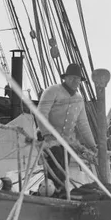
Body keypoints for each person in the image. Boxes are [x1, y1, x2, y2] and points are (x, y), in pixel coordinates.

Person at [37, 63, 97, 197]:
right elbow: (41, 113)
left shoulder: (79, 99)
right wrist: (47, 135)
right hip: (49, 139)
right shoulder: (52, 91)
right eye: (72, 78)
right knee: (57, 169)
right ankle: (57, 196)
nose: (75, 81)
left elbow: (83, 124)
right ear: (65, 78)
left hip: (67, 142)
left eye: (78, 79)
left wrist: (92, 145)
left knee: (63, 169)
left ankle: (59, 195)